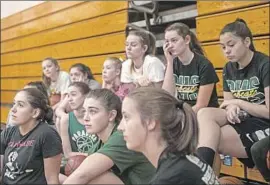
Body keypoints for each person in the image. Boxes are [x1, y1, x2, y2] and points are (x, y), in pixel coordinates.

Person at [196, 19, 269, 170]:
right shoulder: (228, 68)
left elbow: (268, 112)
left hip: (263, 122)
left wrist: (239, 103)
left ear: (247, 41)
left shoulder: (264, 64)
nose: (226, 51)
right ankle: (204, 176)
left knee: (213, 138)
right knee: (204, 114)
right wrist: (231, 109)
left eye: (231, 45)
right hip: (245, 118)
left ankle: (202, 174)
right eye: (223, 47)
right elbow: (228, 104)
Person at [118, 87, 219, 184]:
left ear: (150, 122)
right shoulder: (183, 159)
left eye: (126, 117)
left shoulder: (170, 177)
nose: (120, 127)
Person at [63, 89, 155, 184]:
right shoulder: (100, 143)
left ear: (111, 115)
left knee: (91, 174)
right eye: (84, 111)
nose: (85, 118)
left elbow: (82, 175)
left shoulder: (122, 137)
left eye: (92, 112)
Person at [0, 88, 62, 184]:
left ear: (35, 113)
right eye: (14, 104)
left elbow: (52, 180)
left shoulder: (47, 135)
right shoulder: (8, 132)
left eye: (20, 105)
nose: (13, 109)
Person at [162, 23, 219, 113]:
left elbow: (201, 105)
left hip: (204, 113)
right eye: (167, 42)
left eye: (174, 40)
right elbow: (167, 96)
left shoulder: (204, 65)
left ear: (187, 39)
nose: (170, 46)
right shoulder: (173, 63)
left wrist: (181, 117)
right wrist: (169, 62)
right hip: (184, 111)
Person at [60, 82, 98, 158]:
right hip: (77, 162)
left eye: (73, 95)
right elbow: (67, 154)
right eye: (68, 95)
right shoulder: (66, 119)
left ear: (86, 96)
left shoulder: (96, 117)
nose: (69, 99)